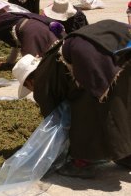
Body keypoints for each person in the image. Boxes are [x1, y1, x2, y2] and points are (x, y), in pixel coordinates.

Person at [12, 20, 131, 178]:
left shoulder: (41, 80)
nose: (32, 90)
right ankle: (125, 154)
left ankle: (82, 162)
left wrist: (59, 148)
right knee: (123, 102)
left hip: (97, 56)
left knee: (86, 110)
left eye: (29, 87)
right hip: (121, 45)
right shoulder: (52, 60)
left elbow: (54, 117)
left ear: (29, 81)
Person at [0, 0, 62, 71]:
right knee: (52, 54)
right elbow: (16, 44)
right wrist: (9, 63)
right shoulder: (14, 16)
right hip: (43, 27)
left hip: (31, 32)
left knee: (32, 66)